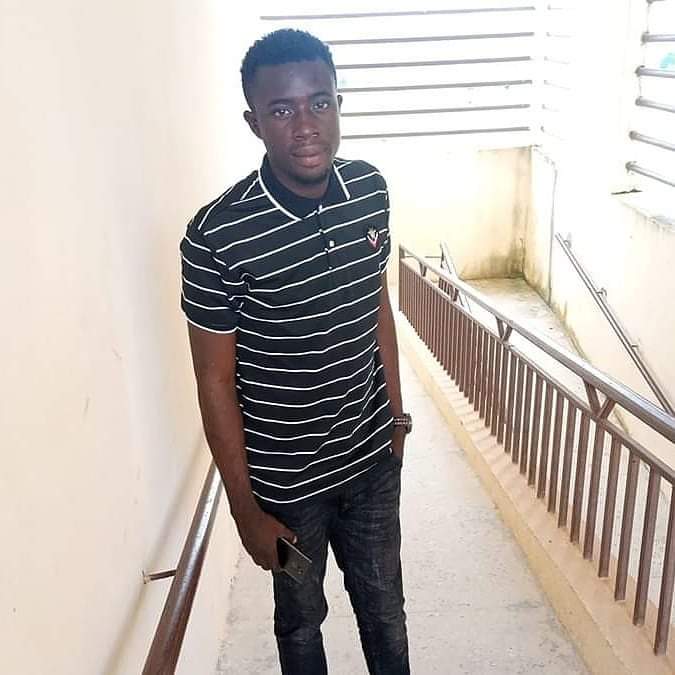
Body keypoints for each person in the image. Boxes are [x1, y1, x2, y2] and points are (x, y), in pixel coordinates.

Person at [180, 28, 412, 674]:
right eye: (281, 109)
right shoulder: (215, 237)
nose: (305, 125)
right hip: (285, 491)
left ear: (338, 104)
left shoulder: (370, 190)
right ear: (254, 122)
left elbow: (376, 303)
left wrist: (396, 419)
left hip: (371, 466)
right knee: (301, 623)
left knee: (386, 612)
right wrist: (245, 511)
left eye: (319, 102)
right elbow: (213, 380)